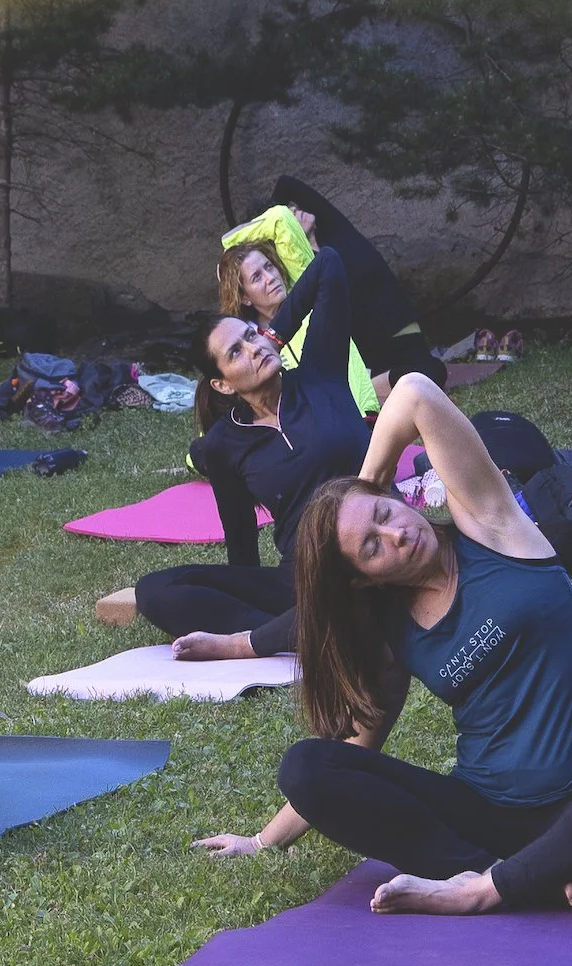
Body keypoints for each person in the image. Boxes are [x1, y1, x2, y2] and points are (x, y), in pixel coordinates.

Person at [193, 374, 572, 914]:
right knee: (304, 765)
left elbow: (414, 392)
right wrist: (262, 841)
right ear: (361, 579)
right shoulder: (393, 626)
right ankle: (514, 873)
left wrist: (362, 487)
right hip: (485, 814)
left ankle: (489, 889)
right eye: (371, 548)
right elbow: (354, 750)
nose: (396, 534)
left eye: (385, 513)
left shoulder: (493, 527)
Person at [98, 246, 370, 660]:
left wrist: (275, 334)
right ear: (223, 384)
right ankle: (298, 631)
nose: (253, 348)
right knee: (154, 590)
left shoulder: (321, 373)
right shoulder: (224, 444)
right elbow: (242, 545)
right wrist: (243, 592)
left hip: (369, 544)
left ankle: (293, 630)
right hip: (303, 576)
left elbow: (329, 263)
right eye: (235, 352)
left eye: (251, 335)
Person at [268, 176, 448, 389]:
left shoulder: (335, 232)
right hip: (377, 356)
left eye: (292, 208)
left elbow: (287, 184)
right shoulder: (305, 270)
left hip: (409, 340)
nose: (294, 210)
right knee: (423, 378)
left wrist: (270, 215)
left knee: (432, 372)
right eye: (287, 215)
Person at [218, 202, 383, 413]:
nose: (270, 278)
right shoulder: (251, 344)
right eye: (257, 277)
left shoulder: (311, 292)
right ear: (244, 298)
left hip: (364, 412)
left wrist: (229, 245)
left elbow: (280, 218)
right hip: (316, 428)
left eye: (269, 266)